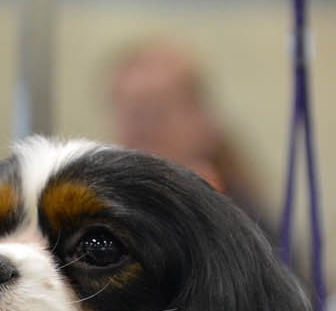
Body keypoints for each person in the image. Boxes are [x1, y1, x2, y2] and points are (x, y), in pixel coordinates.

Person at [106, 38, 269, 231]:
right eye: (132, 112)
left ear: (202, 118)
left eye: (158, 108)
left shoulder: (244, 217)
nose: (143, 127)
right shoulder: (104, 208)